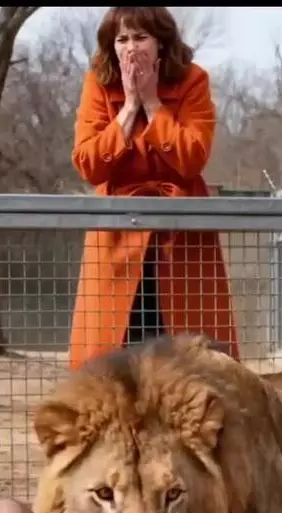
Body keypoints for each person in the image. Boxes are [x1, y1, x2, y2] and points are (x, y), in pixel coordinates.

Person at [69, 6, 240, 370]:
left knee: (190, 353)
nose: (131, 48)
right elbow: (89, 164)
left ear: (161, 43)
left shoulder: (193, 80)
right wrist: (129, 109)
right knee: (113, 350)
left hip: (181, 233)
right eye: (122, 39)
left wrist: (152, 103)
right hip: (118, 234)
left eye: (141, 37)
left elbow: (193, 157)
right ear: (112, 47)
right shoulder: (98, 83)